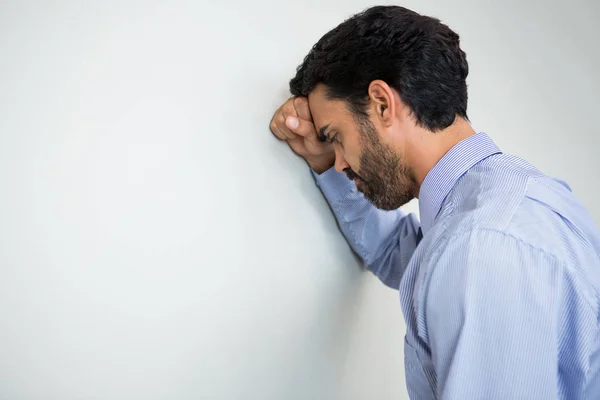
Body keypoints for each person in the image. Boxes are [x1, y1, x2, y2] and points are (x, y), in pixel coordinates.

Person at [269, 5, 600, 400]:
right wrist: (324, 165)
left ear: (381, 104)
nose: (340, 161)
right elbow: (400, 253)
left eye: (335, 136)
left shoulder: (482, 246)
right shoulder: (514, 199)